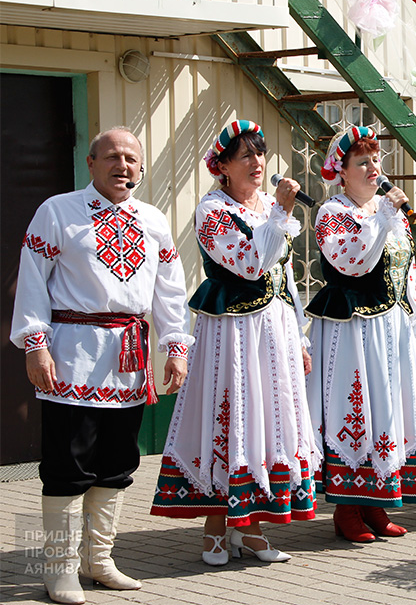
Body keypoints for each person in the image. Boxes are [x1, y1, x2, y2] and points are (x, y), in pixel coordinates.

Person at [11, 127, 192, 604]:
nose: (123, 165)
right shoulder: (58, 212)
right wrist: (35, 343)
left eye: (132, 158)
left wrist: (176, 346)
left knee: (117, 462)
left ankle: (99, 560)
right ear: (90, 163)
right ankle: (58, 568)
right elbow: (32, 279)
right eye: (112, 156)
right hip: (71, 355)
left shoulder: (152, 220)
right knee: (68, 463)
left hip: (129, 360)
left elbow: (170, 290)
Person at [150, 120, 320, 565]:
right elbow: (250, 265)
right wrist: (281, 215)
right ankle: (214, 527)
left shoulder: (267, 205)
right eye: (245, 154)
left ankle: (252, 527)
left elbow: (281, 278)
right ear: (222, 166)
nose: (257, 162)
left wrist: (300, 338)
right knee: (232, 415)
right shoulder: (212, 212)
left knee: (266, 417)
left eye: (260, 153)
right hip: (232, 333)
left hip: (274, 330)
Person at [304, 127, 416, 543]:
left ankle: (377, 502)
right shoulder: (332, 212)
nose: (373, 168)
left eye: (376, 160)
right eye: (362, 162)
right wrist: (382, 217)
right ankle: (347, 507)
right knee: (354, 406)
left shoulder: (389, 212)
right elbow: (353, 263)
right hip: (353, 327)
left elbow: (405, 272)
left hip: (390, 324)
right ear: (341, 172)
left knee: (388, 408)